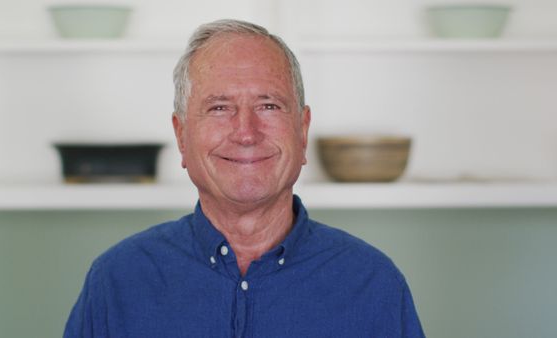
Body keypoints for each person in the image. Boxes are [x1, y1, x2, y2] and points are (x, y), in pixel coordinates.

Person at [64, 19, 425, 337]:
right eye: (219, 108)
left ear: (302, 131)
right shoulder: (117, 281)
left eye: (268, 106)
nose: (246, 133)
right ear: (181, 136)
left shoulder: (373, 283)